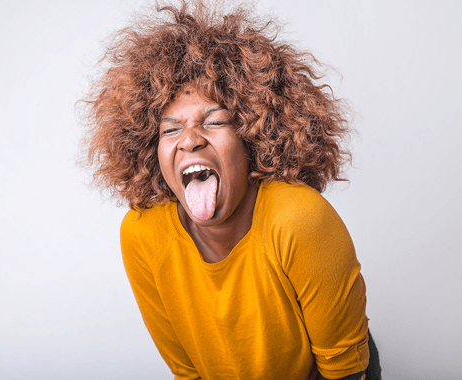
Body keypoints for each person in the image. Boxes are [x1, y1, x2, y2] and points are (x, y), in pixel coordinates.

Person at [80, 1, 375, 379]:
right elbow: (188, 372)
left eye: (215, 121)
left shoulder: (300, 218)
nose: (188, 140)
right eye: (170, 130)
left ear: (255, 136)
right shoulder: (143, 234)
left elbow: (345, 371)